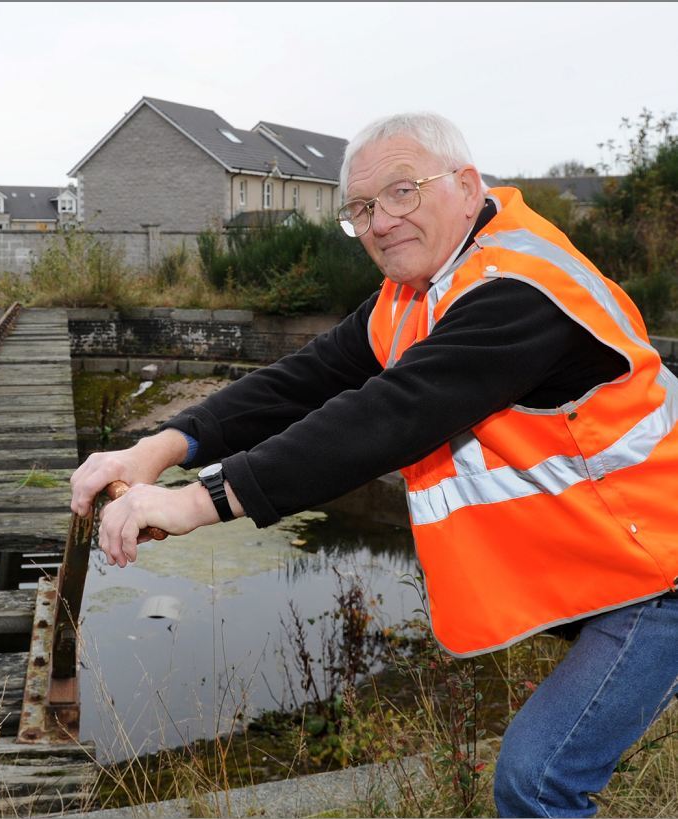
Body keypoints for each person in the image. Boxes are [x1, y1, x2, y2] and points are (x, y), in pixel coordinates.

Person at [69, 112, 678, 817]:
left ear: (466, 184)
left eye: (401, 192)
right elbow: (304, 379)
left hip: (661, 570)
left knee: (538, 780)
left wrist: (194, 501)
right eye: (360, 209)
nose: (379, 222)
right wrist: (157, 447)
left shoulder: (519, 289)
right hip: (613, 561)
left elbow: (387, 415)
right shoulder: (415, 295)